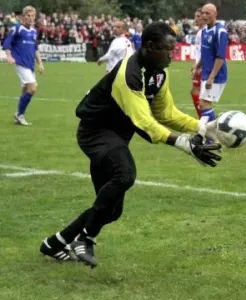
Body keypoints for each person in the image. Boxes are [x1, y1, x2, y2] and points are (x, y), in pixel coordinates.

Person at [40, 22, 222, 268]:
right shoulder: (130, 73)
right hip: (95, 132)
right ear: (148, 47)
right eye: (167, 49)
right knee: (125, 174)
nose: (172, 54)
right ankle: (85, 238)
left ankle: (54, 243)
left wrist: (202, 127)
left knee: (110, 211)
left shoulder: (159, 72)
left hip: (116, 136)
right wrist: (185, 144)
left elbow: (166, 113)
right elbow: (144, 121)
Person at [3, 6, 44, 126]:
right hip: (20, 62)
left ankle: (18, 115)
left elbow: (35, 49)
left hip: (29, 64)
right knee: (32, 88)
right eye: (28, 16)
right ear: (23, 17)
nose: (31, 18)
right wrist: (9, 56)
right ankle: (20, 115)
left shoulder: (33, 31)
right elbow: (7, 43)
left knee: (27, 89)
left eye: (32, 16)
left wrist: (40, 63)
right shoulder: (17, 28)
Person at [193, 3, 228, 127]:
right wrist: (197, 67)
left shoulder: (220, 32)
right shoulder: (204, 32)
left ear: (215, 14)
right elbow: (204, 52)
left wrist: (211, 77)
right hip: (205, 74)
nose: (204, 15)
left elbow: (220, 58)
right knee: (203, 104)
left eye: (207, 13)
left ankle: (213, 137)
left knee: (203, 104)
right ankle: (210, 136)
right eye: (203, 13)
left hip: (216, 76)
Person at [190, 8, 206, 118]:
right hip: (200, 65)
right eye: (195, 16)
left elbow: (205, 52)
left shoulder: (203, 32)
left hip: (202, 67)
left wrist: (198, 66)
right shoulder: (200, 32)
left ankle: (204, 118)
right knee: (197, 92)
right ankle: (204, 118)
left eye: (198, 16)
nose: (196, 18)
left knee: (197, 92)